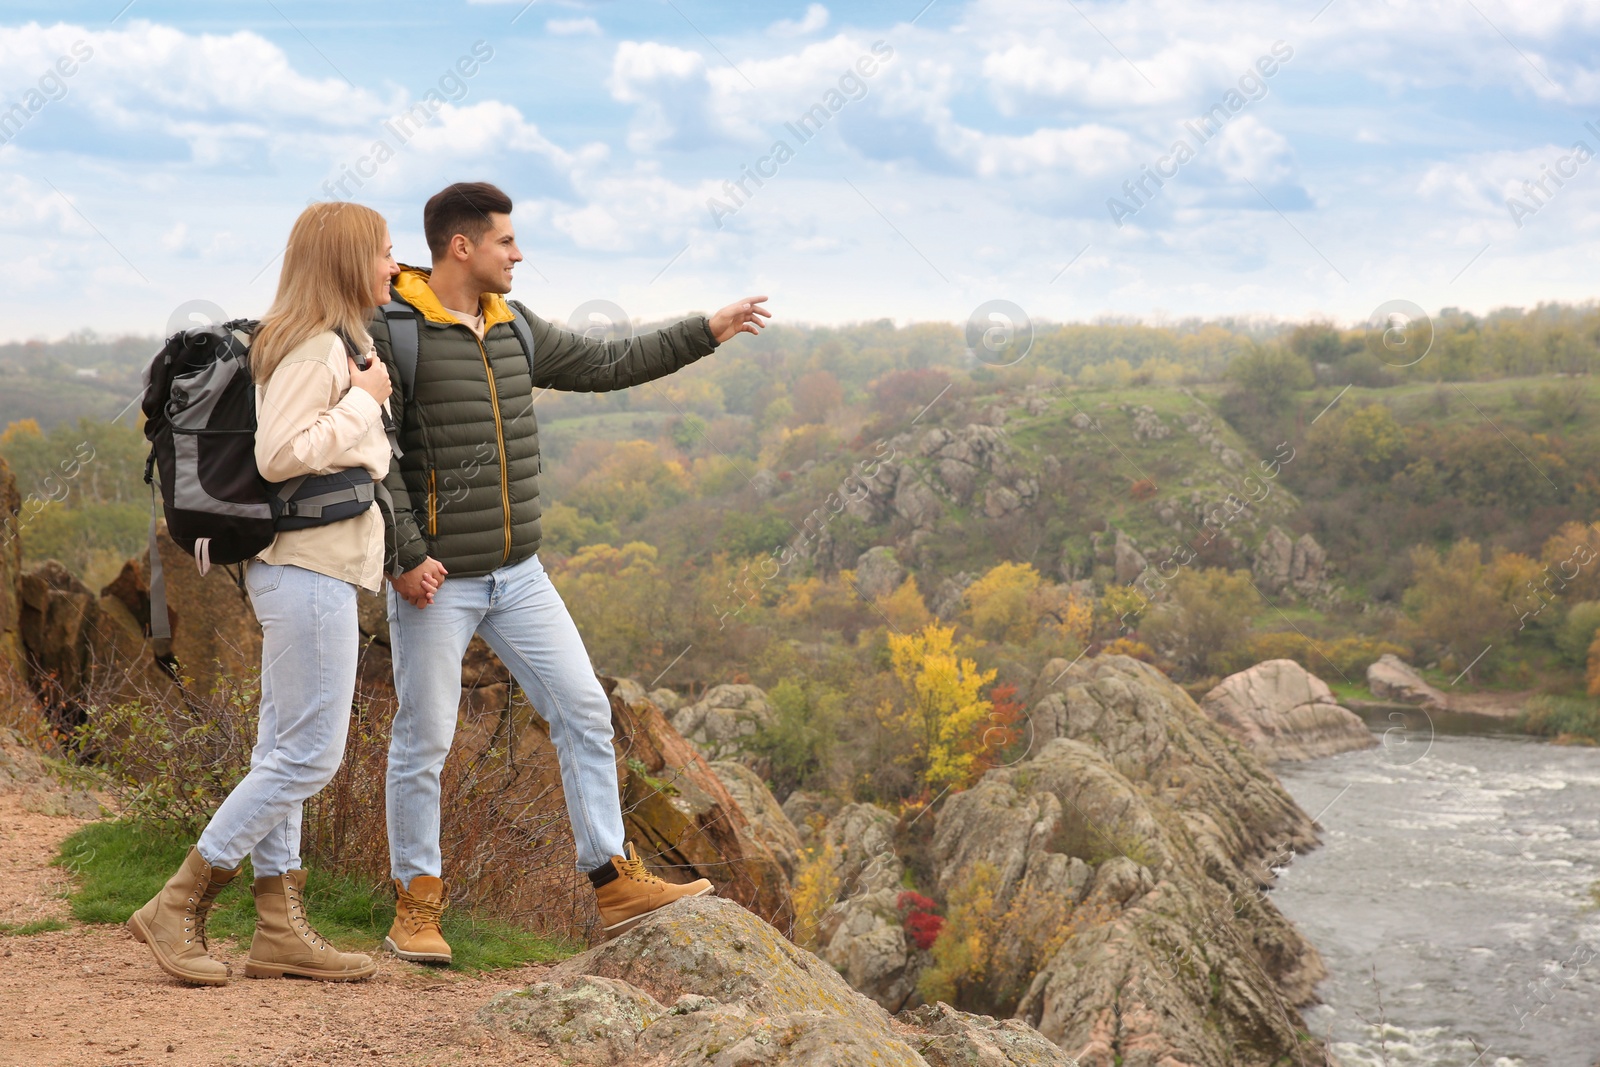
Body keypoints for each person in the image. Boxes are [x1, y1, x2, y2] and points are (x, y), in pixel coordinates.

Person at [376, 181, 770, 961]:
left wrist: (706, 330)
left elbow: (608, 361)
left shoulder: (512, 324)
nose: (518, 254)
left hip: (520, 573)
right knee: (424, 737)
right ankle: (414, 906)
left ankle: (614, 878)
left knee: (586, 710)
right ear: (462, 247)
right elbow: (374, 452)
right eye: (505, 242)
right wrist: (406, 556)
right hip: (439, 580)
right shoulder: (396, 331)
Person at [128, 201, 400, 985]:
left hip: (302, 569)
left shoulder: (321, 341)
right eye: (384, 252)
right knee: (310, 755)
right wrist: (364, 399)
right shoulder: (319, 350)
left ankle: (279, 927)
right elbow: (282, 455)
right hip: (308, 570)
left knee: (280, 750)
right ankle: (177, 904)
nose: (393, 264)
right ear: (351, 260)